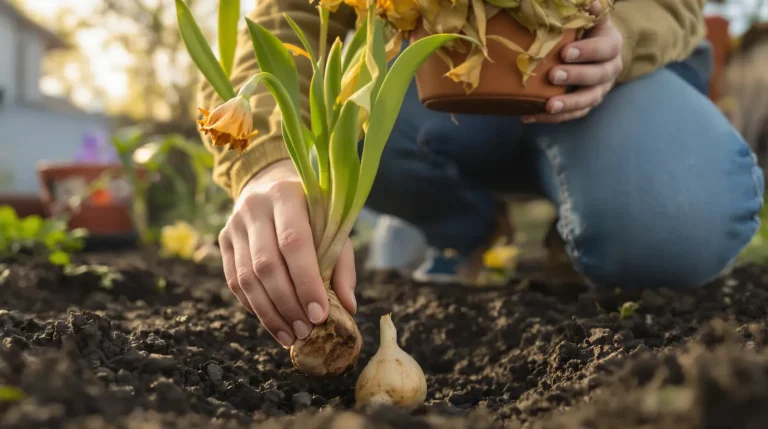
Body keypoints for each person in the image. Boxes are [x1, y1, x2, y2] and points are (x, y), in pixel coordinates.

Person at [197, 0, 765, 349]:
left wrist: (629, 34)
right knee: (346, 125)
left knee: (678, 217)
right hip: (438, 81)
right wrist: (267, 166)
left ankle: (582, 221)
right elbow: (279, 22)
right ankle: (465, 228)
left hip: (611, 69)